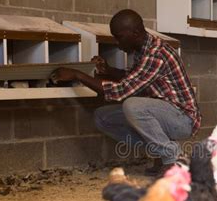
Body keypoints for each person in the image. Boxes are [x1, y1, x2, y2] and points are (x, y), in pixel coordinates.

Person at [50, 9, 201, 176]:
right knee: (102, 117)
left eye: (120, 37)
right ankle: (160, 152)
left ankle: (172, 158)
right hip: (165, 114)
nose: (117, 43)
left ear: (135, 33)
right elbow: (133, 78)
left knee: (132, 105)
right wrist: (108, 70)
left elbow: (121, 92)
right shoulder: (143, 49)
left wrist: (77, 75)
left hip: (183, 119)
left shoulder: (155, 54)